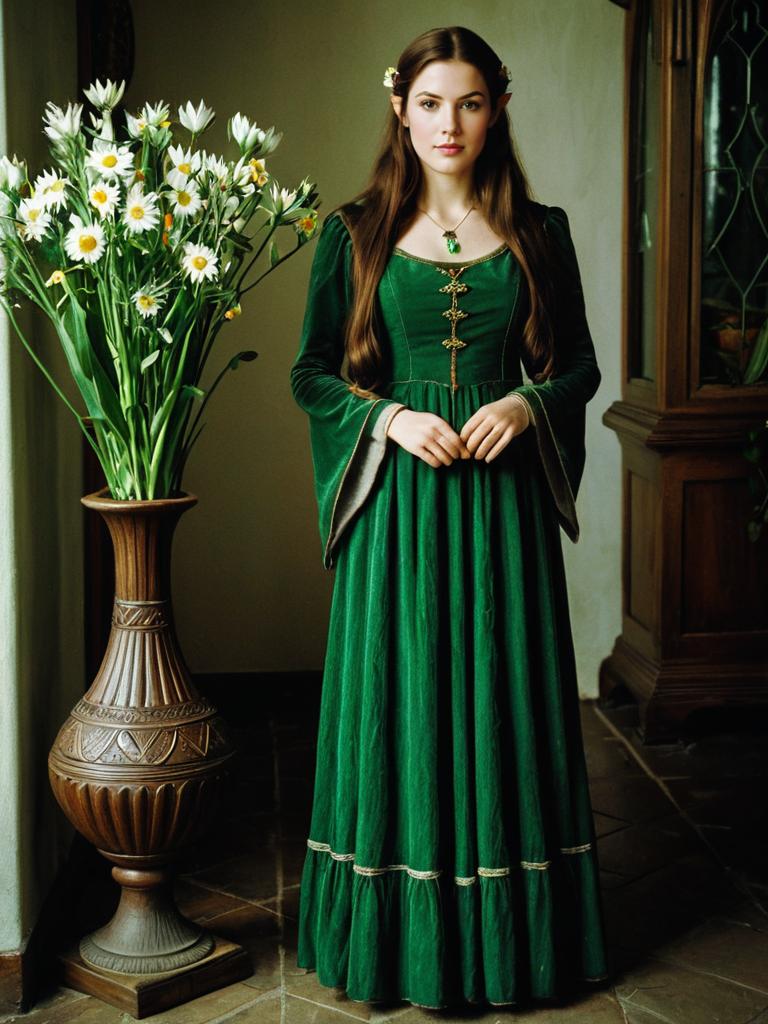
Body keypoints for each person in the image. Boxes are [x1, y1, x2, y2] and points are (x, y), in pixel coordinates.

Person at [289, 24, 610, 1011]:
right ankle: (401, 948)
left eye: (469, 102)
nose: (450, 123)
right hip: (397, 516)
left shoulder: (540, 232)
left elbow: (581, 368)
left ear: (498, 108)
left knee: (502, 703)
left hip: (503, 515)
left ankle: (515, 947)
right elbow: (311, 375)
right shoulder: (354, 234)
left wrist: (527, 402)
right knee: (404, 709)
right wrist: (389, 416)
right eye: (431, 102)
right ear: (401, 107)